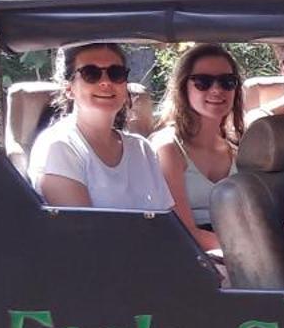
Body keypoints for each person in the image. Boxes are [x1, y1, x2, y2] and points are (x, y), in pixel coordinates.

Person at [29, 42, 175, 211]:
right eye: (91, 74)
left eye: (116, 73)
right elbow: (82, 230)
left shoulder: (142, 148)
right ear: (69, 89)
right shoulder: (58, 146)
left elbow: (166, 220)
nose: (106, 82)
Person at [152, 43, 243, 254]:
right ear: (183, 87)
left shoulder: (240, 148)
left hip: (238, 248)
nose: (217, 90)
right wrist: (246, 250)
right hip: (187, 256)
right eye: (203, 82)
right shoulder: (168, 148)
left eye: (227, 82)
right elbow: (182, 231)